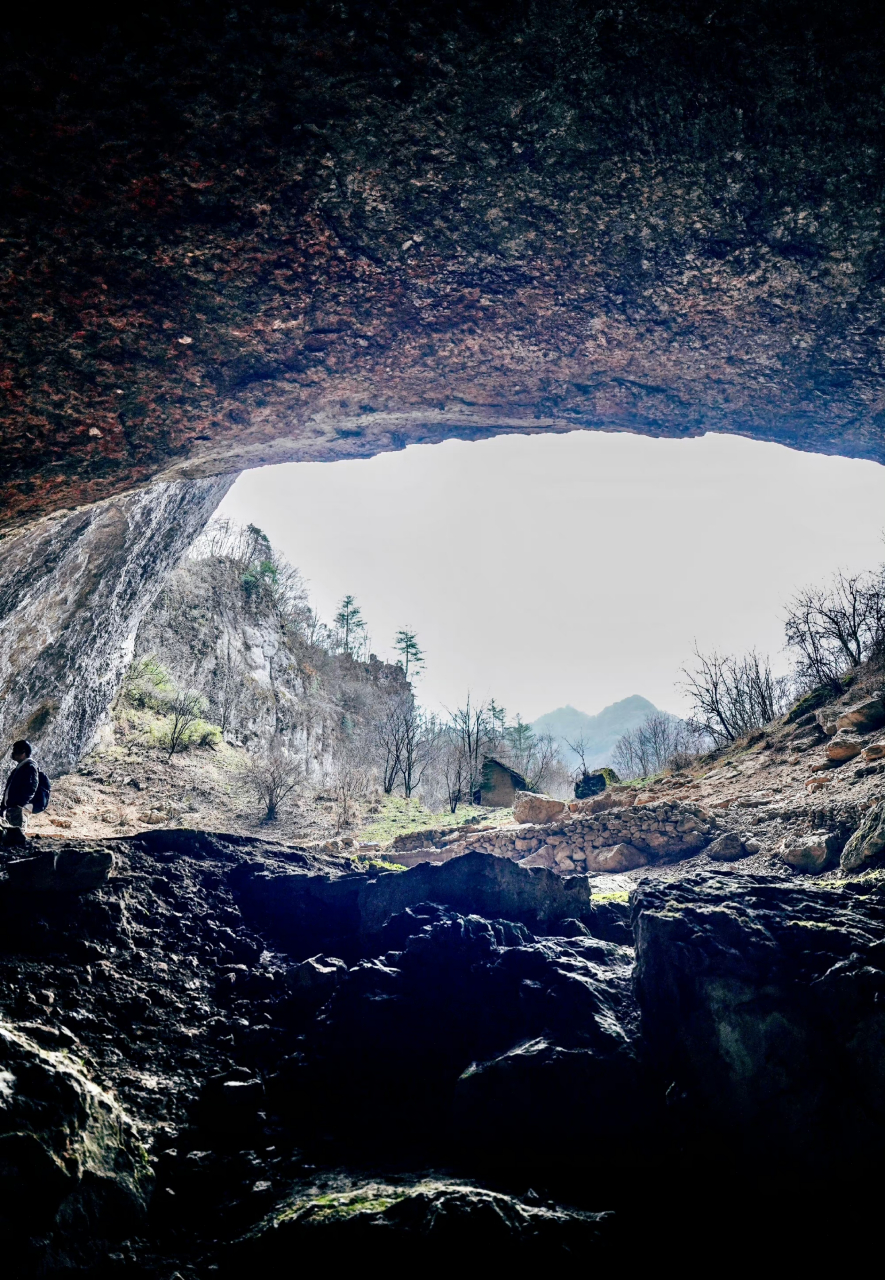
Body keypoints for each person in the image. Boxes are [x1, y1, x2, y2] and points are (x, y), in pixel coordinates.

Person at [1, 739, 39, 846]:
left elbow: (31, 788)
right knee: (13, 836)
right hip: (13, 808)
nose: (13, 753)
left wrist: (19, 804)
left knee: (17, 838)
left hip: (18, 808)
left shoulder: (30, 767)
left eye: (15, 750)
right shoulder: (20, 768)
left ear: (23, 752)